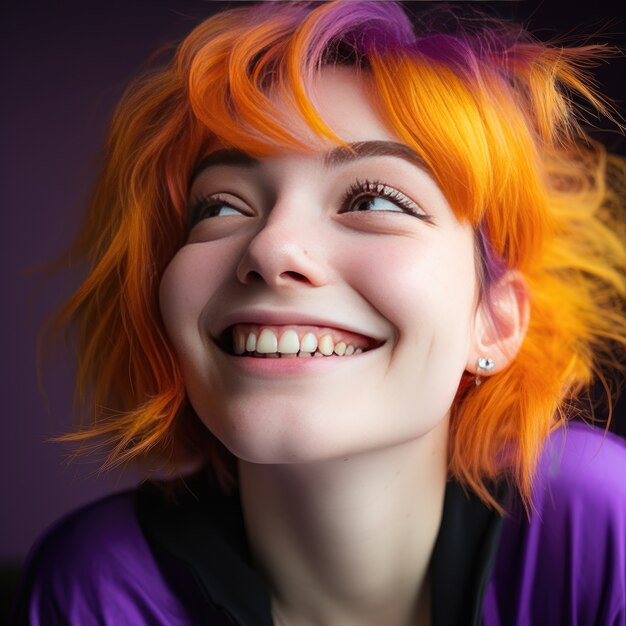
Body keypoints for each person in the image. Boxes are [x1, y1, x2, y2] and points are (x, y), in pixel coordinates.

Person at [11, 1, 626, 624]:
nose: (271, 247)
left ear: (494, 320)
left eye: (374, 198)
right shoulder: (99, 589)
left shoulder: (596, 523)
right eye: (221, 207)